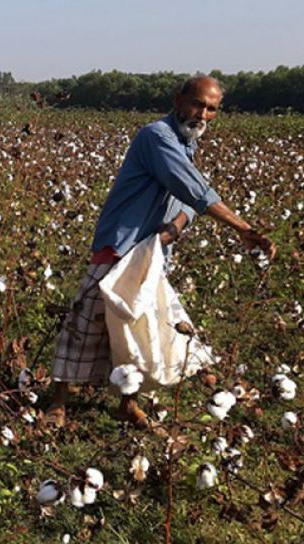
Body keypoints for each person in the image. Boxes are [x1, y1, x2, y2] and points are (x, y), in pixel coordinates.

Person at [46, 75, 275, 428]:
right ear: (178, 98)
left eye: (211, 109)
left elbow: (187, 204)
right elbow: (195, 190)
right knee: (86, 320)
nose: (202, 114)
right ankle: (57, 401)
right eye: (197, 103)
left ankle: (128, 401)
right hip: (120, 245)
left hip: (151, 253)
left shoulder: (186, 145)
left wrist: (175, 228)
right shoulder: (157, 137)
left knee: (138, 327)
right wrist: (243, 229)